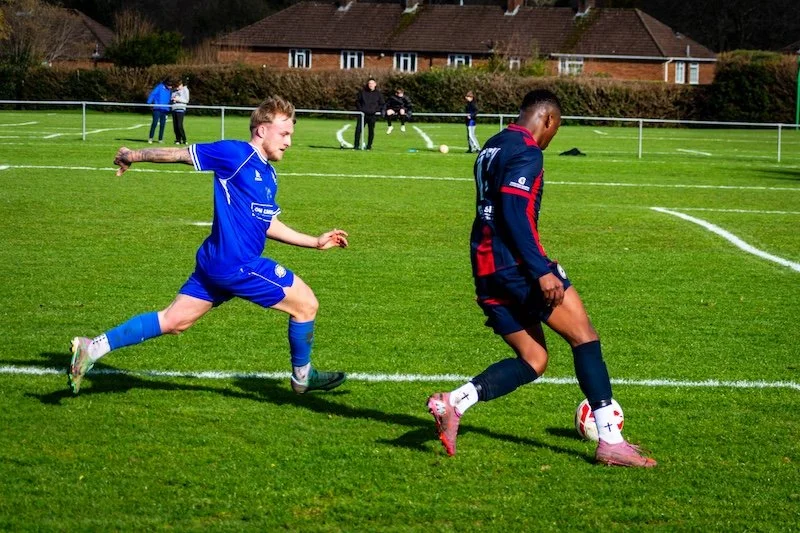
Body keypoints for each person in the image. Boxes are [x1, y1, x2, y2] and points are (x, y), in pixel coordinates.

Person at [426, 89, 656, 468]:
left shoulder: (493, 145)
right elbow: (514, 212)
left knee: (534, 359)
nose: (552, 137)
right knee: (584, 336)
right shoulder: (527, 150)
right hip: (516, 267)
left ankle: (455, 402)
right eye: (556, 129)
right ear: (548, 119)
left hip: (485, 267)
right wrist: (541, 270)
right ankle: (611, 442)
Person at [68, 96, 349, 396]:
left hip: (216, 262)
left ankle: (92, 348)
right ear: (262, 130)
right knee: (306, 304)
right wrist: (132, 155)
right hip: (237, 264)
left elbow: (267, 223)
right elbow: (180, 154)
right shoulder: (235, 154)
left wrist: (314, 242)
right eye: (284, 134)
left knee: (173, 320)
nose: (289, 142)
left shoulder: (269, 174)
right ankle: (303, 377)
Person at [353, 78, 384, 150]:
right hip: (362, 115)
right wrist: (361, 110)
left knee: (371, 131)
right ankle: (356, 146)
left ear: (375, 84)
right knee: (358, 130)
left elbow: (382, 104)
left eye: (372, 83)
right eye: (369, 83)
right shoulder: (362, 92)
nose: (371, 85)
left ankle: (369, 146)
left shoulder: (378, 94)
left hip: (372, 115)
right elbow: (357, 102)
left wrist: (375, 110)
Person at [147, 78, 172, 144]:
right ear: (166, 84)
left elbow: (168, 99)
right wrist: (149, 102)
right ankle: (150, 138)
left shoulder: (169, 90)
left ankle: (160, 139)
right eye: (169, 86)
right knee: (154, 123)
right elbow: (153, 94)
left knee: (162, 125)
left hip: (165, 109)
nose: (170, 87)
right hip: (157, 108)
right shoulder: (159, 87)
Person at [171, 79, 190, 145]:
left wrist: (178, 99)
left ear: (181, 85)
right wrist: (173, 99)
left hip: (181, 109)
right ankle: (178, 139)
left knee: (179, 125)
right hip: (174, 109)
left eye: (178, 86)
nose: (177, 88)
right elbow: (172, 98)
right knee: (175, 126)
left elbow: (186, 100)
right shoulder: (174, 91)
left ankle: (184, 139)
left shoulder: (185, 90)